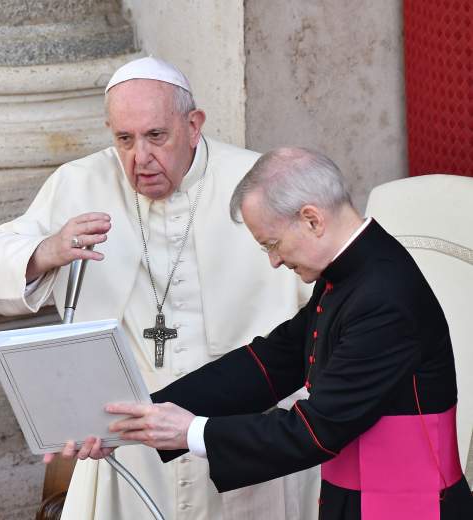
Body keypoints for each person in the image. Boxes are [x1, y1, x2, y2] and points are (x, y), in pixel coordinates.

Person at [0, 57, 318, 520]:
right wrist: (46, 251)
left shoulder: (256, 179)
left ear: (193, 125)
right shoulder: (80, 182)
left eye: (157, 136)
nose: (140, 157)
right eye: (124, 139)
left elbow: (325, 296)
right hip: (129, 436)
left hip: (242, 431)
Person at [97, 147, 473, 519]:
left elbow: (317, 429)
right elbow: (273, 360)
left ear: (311, 219)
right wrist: (142, 415)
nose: (274, 261)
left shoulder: (383, 295)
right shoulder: (351, 272)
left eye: (272, 244)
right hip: (360, 501)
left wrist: (192, 431)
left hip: (410, 505)